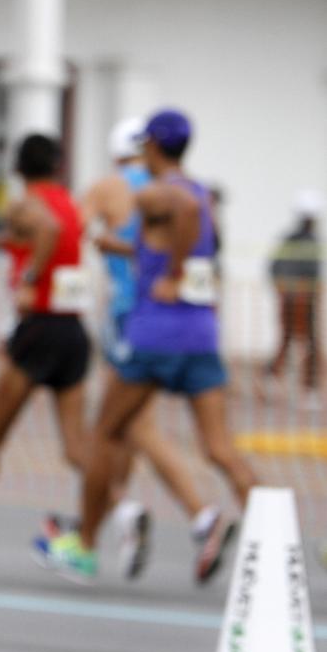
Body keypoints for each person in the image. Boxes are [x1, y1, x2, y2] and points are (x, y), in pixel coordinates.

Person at [35, 109, 259, 585]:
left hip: (155, 337)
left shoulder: (162, 192)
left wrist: (173, 274)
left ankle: (86, 546)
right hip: (200, 333)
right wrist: (129, 251)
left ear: (153, 146)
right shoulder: (199, 188)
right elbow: (191, 232)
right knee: (219, 448)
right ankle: (276, 541)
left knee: (103, 436)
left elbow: (185, 216)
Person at [0, 133, 114, 568]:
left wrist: (28, 278)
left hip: (39, 329)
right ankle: (120, 507)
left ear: (18, 168)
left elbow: (43, 231)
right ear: (58, 166)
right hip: (73, 331)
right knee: (76, 446)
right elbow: (57, 235)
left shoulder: (24, 203)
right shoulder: (71, 203)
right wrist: (6, 243)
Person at [81, 117, 217, 580]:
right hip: (156, 315)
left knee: (121, 426)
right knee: (129, 426)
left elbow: (71, 226)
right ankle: (131, 514)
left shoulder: (115, 188)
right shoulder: (168, 185)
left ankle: (152, 514)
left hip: (133, 315)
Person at [261, 188, 324, 409]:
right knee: (299, 341)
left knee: (304, 342)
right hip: (294, 299)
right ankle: (301, 386)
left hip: (306, 299)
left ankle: (305, 386)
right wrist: (286, 291)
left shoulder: (311, 242)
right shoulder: (293, 242)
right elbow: (275, 269)